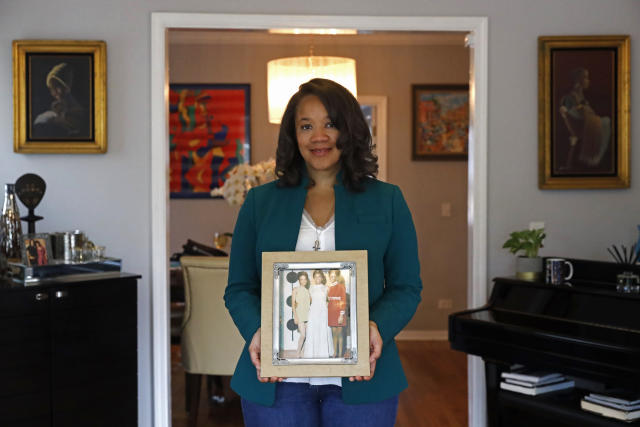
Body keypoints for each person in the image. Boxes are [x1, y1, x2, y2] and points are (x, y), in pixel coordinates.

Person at [224, 78, 422, 427]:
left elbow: (406, 287)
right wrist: (257, 330)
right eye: (306, 126)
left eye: (330, 123)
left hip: (364, 379)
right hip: (277, 382)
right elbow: (239, 287)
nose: (319, 136)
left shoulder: (388, 200)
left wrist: (377, 326)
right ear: (293, 135)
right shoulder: (260, 202)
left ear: (349, 129)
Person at [558, 67, 611, 170]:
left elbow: (586, 112)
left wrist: (587, 112)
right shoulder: (570, 97)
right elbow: (574, 115)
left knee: (606, 121)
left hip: (585, 124)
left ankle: (594, 159)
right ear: (579, 80)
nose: (588, 80)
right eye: (586, 78)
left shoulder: (580, 96)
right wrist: (585, 111)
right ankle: (592, 159)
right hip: (578, 127)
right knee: (606, 122)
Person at [32, 62, 88, 139]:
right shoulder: (56, 106)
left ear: (67, 87)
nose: (55, 92)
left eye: (58, 86)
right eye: (52, 88)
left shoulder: (78, 111)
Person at [303, 270, 334, 359]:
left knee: (323, 329)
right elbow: (309, 301)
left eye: (319, 276)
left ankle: (323, 352)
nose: (317, 278)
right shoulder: (311, 288)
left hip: (323, 311)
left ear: (322, 278)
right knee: (313, 330)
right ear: (314, 278)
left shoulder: (326, 288)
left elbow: (330, 301)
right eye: (316, 277)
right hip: (313, 311)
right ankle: (312, 353)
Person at [327, 269, 347, 357]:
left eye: (334, 276)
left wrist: (341, 315)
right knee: (333, 334)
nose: (332, 278)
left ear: (337, 277)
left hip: (339, 313)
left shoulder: (341, 287)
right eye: (331, 276)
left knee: (339, 334)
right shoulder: (328, 287)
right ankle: (335, 352)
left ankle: (340, 353)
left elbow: (343, 301)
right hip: (331, 312)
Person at [292, 271, 311, 357]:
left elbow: (311, 303)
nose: (303, 281)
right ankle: (297, 352)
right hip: (299, 315)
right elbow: (293, 304)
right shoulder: (295, 289)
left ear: (306, 280)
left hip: (308, 315)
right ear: (299, 280)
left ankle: (303, 352)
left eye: (304, 279)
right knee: (303, 335)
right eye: (301, 279)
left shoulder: (308, 291)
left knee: (308, 336)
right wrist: (295, 316)